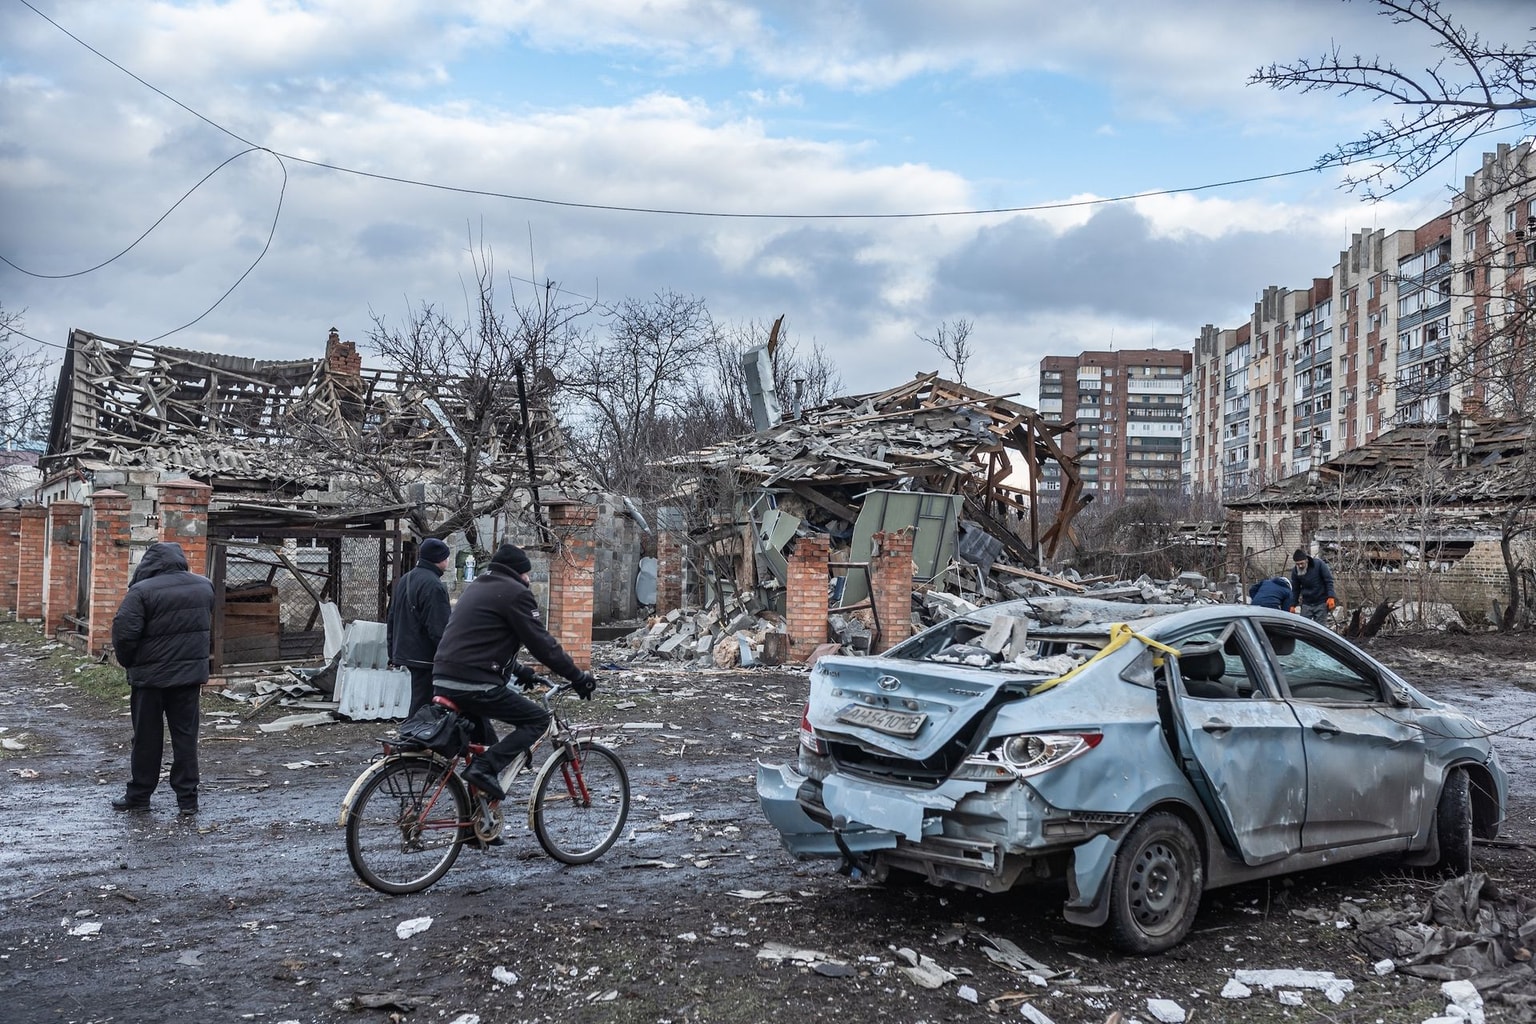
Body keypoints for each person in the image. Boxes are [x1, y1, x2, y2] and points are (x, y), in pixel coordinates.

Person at [432, 543, 598, 800]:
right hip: (475, 684)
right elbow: (542, 644)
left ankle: (476, 825)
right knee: (539, 721)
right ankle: (484, 768)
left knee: (488, 744)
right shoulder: (515, 593)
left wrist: (520, 670)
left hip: (444, 678)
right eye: (526, 573)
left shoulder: (478, 586)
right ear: (517, 572)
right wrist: (577, 677)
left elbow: (480, 641)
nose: (529, 579)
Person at [110, 541, 215, 816]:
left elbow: (124, 633)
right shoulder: (204, 586)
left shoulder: (141, 592)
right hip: (188, 679)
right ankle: (188, 800)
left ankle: (139, 795)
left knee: (146, 738)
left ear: (150, 563)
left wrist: (129, 663)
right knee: (185, 737)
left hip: (150, 681)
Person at [387, 537, 454, 716]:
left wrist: (392, 650)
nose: (448, 561)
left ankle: (417, 736)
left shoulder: (406, 579)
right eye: (447, 557)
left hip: (407, 650)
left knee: (422, 698)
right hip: (426, 654)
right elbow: (439, 627)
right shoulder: (433, 585)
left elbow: (392, 616)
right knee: (423, 703)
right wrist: (449, 657)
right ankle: (413, 738)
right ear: (439, 559)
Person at [1288, 547, 1337, 624]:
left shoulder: (1319, 565)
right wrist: (1292, 604)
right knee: (1304, 627)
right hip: (1306, 603)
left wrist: (1331, 596)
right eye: (1297, 564)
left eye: (1302, 563)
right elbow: (1295, 589)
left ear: (1306, 560)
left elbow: (1328, 581)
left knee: (1320, 628)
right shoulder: (1295, 571)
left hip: (1321, 602)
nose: (1300, 566)